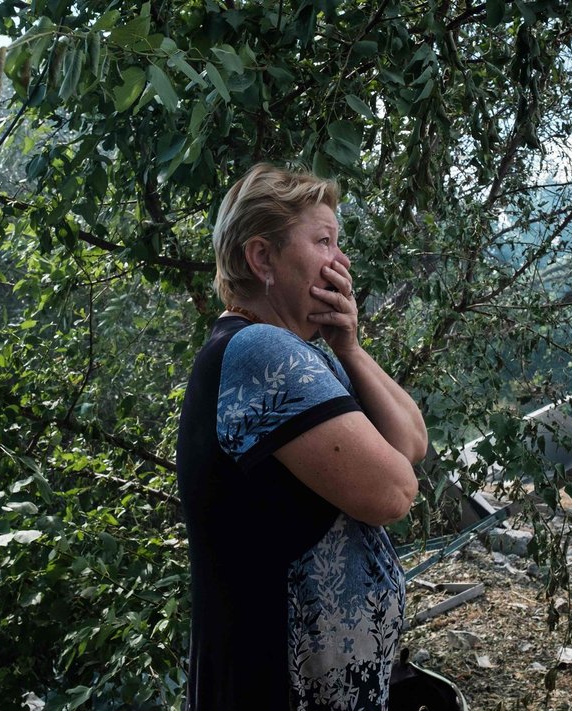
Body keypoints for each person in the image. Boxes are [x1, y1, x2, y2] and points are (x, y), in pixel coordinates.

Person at [176, 163, 428, 710]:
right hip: (273, 685)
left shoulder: (300, 356)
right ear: (262, 258)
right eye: (323, 241)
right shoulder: (258, 353)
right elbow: (395, 492)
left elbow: (410, 445)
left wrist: (350, 348)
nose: (341, 262)